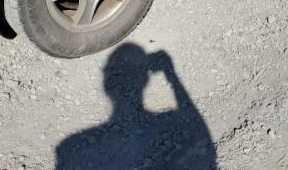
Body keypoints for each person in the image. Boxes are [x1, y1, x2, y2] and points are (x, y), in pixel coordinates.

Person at [56, 44, 216, 169]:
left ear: (106, 85)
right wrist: (171, 75)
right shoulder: (171, 124)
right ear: (146, 81)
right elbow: (202, 137)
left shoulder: (69, 148)